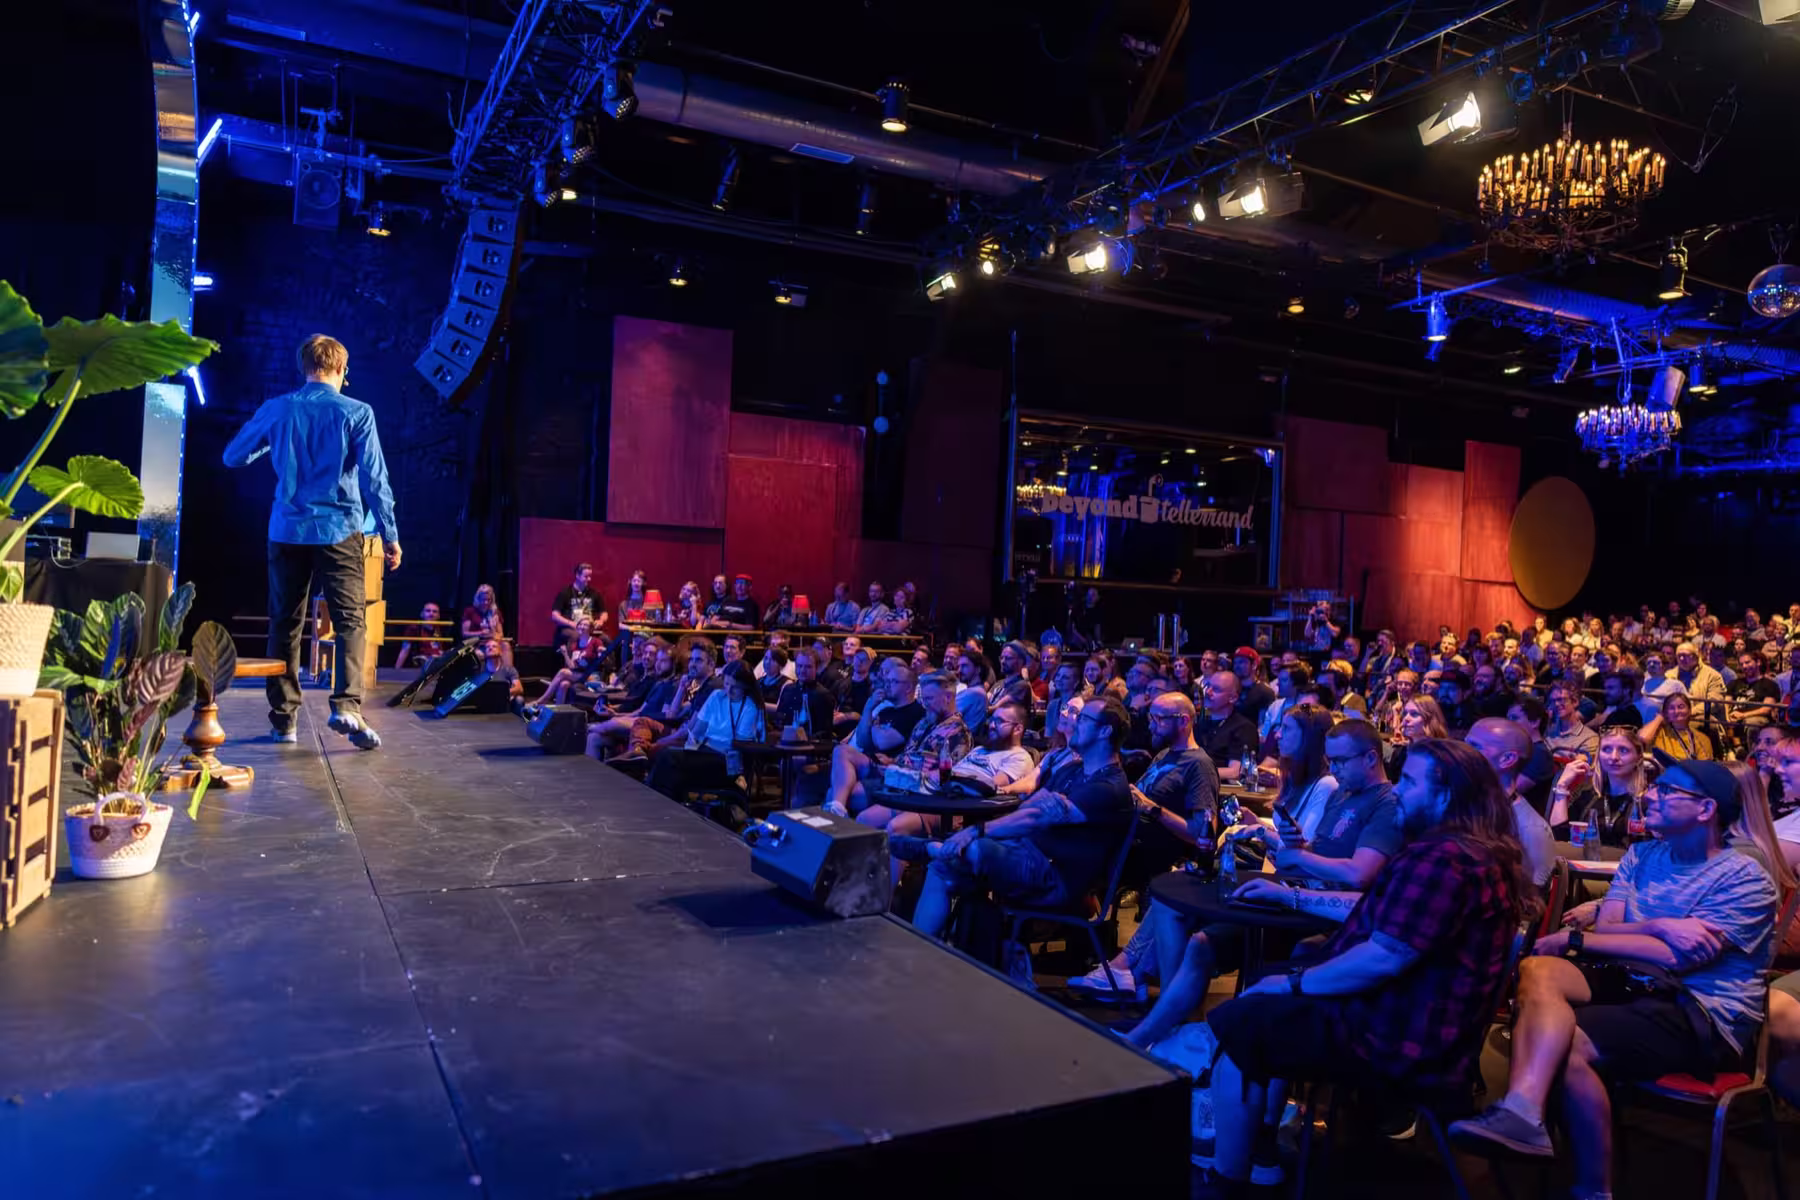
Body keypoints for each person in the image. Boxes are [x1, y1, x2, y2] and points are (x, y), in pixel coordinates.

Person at [1201, 740, 1531, 1192]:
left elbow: (1383, 958)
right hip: (1423, 1026)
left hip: (1397, 1037)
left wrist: (1293, 985)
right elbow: (1379, 908)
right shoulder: (1473, 851)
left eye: (1410, 782)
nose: (1399, 790)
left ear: (1446, 795)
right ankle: (1261, 1149)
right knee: (1265, 997)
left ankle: (1227, 1181)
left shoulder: (1444, 860)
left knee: (1240, 1021)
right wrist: (1292, 896)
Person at [1449, 758, 1779, 1200]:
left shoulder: (1744, 877)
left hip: (1701, 1010)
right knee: (1537, 967)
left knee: (1565, 1043)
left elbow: (1678, 958)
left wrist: (1586, 938)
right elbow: (1608, 928)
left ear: (1706, 810)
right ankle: (1523, 1110)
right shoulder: (1642, 855)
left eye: (1668, 791)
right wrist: (1660, 925)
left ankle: (1592, 1189)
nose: (1651, 795)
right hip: (1635, 983)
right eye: (1656, 786)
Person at [224, 333, 398, 751]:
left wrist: (273, 443)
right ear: (341, 369)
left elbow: (233, 456)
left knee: (285, 624)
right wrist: (390, 534)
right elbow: (375, 479)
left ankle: (284, 721)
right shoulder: (357, 412)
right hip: (338, 530)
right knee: (350, 620)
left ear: (304, 367)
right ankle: (347, 706)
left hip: (286, 530)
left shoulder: (277, 408)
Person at [899, 697, 1133, 939]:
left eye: (1083, 718)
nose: (1074, 722)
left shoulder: (1108, 788)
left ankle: (932, 848)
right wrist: (1043, 805)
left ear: (1105, 731)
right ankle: (920, 945)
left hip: (1056, 877)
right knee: (944, 866)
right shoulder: (1073, 769)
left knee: (977, 847)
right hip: (1030, 853)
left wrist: (976, 830)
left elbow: (1034, 817)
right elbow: (1031, 803)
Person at [1067, 691, 1220, 997]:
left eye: (1159, 719)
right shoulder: (1164, 756)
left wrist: (1153, 809)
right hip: (1127, 846)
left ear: (1184, 721)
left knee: (1069, 859)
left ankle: (1115, 965)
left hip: (1153, 857)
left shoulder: (1199, 765)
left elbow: (1203, 834)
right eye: (1151, 717)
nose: (1151, 725)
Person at [645, 660, 767, 800]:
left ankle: (656, 800)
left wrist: (707, 743)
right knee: (667, 758)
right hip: (705, 752)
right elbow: (698, 731)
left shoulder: (750, 707)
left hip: (727, 762)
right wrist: (690, 749)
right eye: (727, 684)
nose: (729, 690)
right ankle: (661, 801)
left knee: (669, 758)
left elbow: (738, 746)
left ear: (745, 687)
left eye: (735, 687)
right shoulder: (717, 696)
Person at [1465, 717, 1558, 887]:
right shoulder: (1459, 806)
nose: (1462, 752)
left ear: (1507, 759)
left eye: (1474, 746)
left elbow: (1531, 899)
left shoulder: (1530, 829)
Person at [1551, 727, 1652, 845]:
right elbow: (1560, 837)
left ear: (1638, 757)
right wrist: (1562, 786)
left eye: (1623, 750)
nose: (1614, 757)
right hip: (1589, 856)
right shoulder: (1588, 794)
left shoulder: (1649, 800)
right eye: (1607, 749)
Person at [1196, 671, 1259, 780]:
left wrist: (1194, 774)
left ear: (1233, 698)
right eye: (1208, 687)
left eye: (1216, 689)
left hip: (1220, 787)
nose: (1208, 692)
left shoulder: (1243, 728)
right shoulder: (1200, 723)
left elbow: (1235, 772)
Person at [1642, 691, 1715, 762]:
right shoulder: (1659, 733)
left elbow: (1705, 766)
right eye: (1671, 708)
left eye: (1681, 707)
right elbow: (1643, 738)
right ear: (1666, 713)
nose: (1676, 711)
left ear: (1689, 711)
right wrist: (1659, 718)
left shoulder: (1701, 738)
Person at [549, 562, 604, 649]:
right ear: (577, 575)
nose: (589, 579)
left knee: (606, 639)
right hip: (570, 628)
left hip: (588, 629)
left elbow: (604, 612)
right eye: (586, 576)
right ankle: (573, 658)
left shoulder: (594, 593)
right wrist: (571, 623)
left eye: (590, 576)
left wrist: (601, 620)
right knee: (576, 636)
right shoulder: (565, 593)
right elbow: (555, 616)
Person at [1543, 682, 1601, 764]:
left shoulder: (1589, 738)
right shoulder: (1548, 732)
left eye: (1561, 700)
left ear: (1575, 702)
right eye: (1553, 701)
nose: (1556, 704)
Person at [393, 601, 445, 671]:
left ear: (439, 616)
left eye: (434, 611)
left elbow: (441, 649)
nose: (431, 614)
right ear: (422, 614)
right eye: (428, 611)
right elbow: (405, 649)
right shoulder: (414, 628)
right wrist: (396, 671)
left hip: (437, 664)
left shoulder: (440, 628)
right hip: (421, 663)